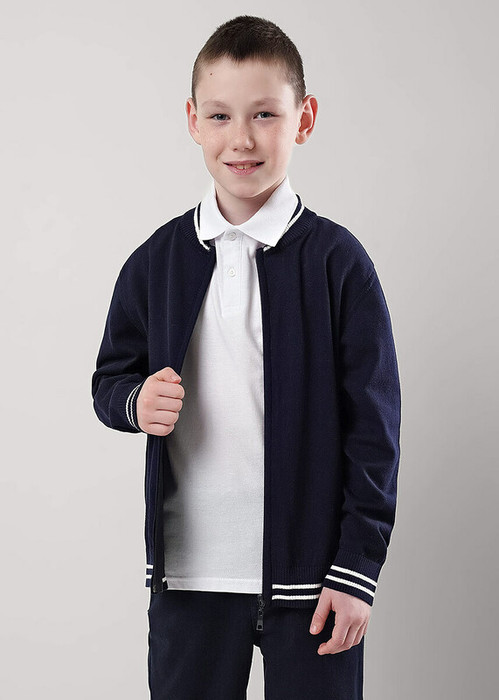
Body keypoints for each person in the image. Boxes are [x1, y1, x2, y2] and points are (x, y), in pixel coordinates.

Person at [91, 14, 401, 700]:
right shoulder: (156, 261)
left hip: (313, 582)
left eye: (264, 114)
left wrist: (356, 571)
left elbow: (374, 431)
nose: (242, 138)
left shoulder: (338, 263)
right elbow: (109, 380)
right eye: (220, 115)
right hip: (190, 578)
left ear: (303, 118)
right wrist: (135, 403)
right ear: (193, 121)